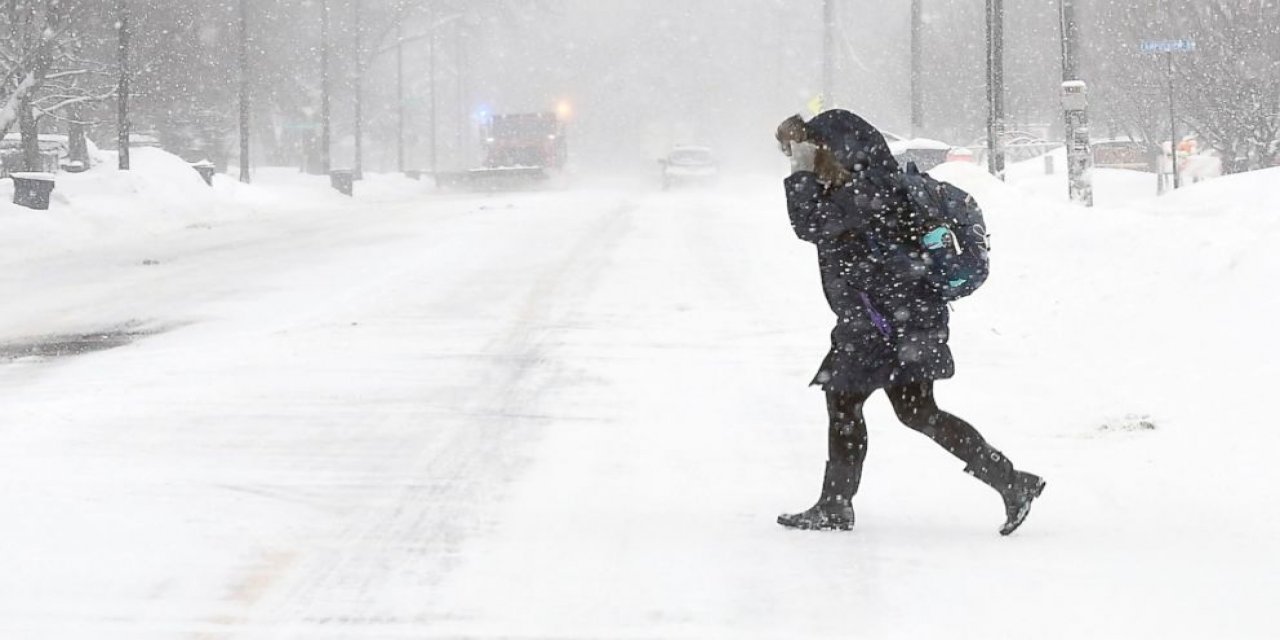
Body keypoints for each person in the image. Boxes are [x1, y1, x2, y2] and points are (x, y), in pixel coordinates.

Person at [774, 109, 1044, 535]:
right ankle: (1010, 481)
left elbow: (807, 224)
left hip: (890, 321)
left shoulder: (865, 191)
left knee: (862, 405)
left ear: (834, 149)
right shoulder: (870, 185)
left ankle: (837, 505)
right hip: (892, 318)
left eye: (809, 151)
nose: (805, 160)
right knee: (911, 411)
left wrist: (801, 170)